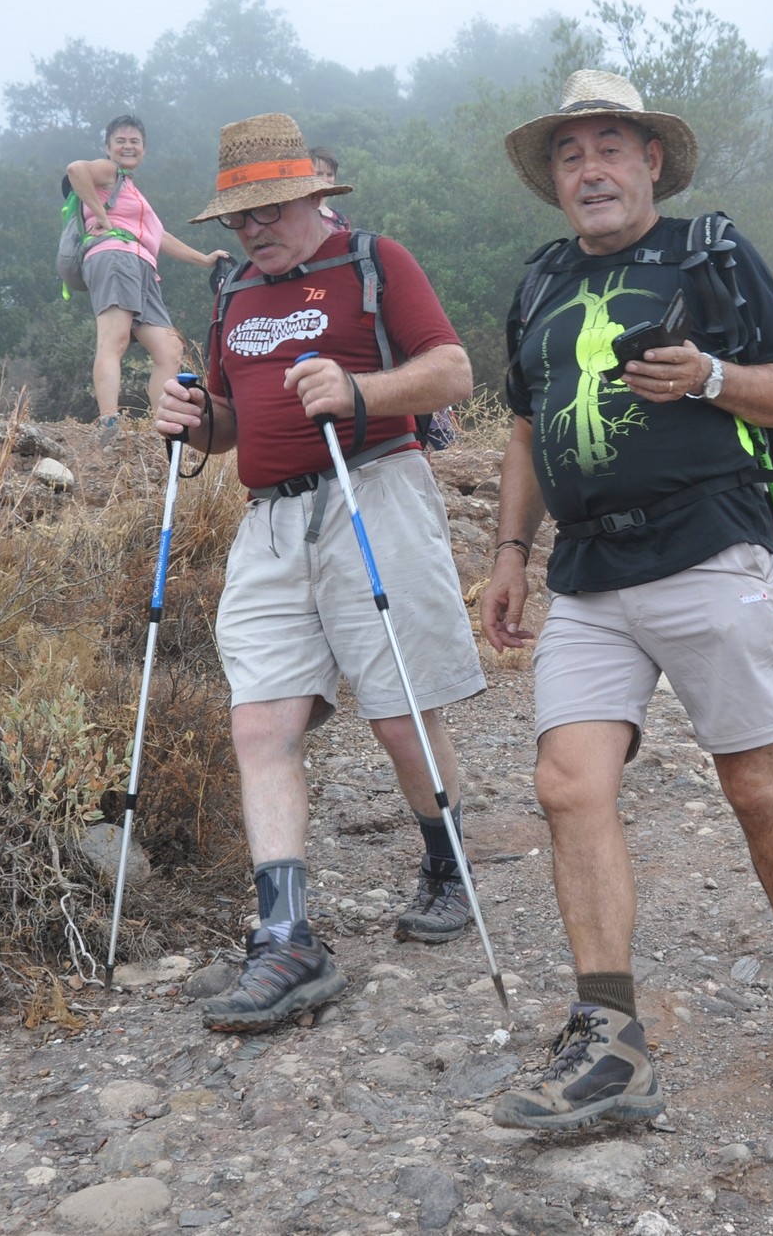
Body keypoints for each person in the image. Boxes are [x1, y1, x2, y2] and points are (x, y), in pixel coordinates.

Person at [480, 70, 773, 1133]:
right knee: (568, 785)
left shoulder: (710, 254)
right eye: (570, 154)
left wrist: (707, 377)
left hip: (706, 546)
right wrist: (509, 551)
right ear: (554, 179)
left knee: (753, 786)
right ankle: (610, 1042)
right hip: (587, 572)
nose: (590, 169)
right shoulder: (541, 280)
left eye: (611, 147)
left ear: (651, 161)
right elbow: (525, 427)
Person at [151, 113, 485, 1032]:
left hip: (373, 489)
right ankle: (286, 936)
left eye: (269, 210)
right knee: (260, 719)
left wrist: (360, 389)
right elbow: (231, 423)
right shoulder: (231, 292)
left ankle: (448, 863)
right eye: (238, 218)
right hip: (269, 519)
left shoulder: (375, 261)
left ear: (313, 197)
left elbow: (452, 371)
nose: (252, 229)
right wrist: (195, 418)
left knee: (400, 708)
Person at [67, 115, 229, 445]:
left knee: (169, 348)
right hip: (115, 257)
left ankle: (163, 426)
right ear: (108, 147)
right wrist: (101, 214)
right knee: (114, 339)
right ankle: (108, 423)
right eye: (120, 140)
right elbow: (75, 170)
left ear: (144, 148)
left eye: (135, 141)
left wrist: (204, 259)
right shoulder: (108, 171)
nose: (128, 146)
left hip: (143, 268)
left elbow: (160, 236)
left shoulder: (132, 191)